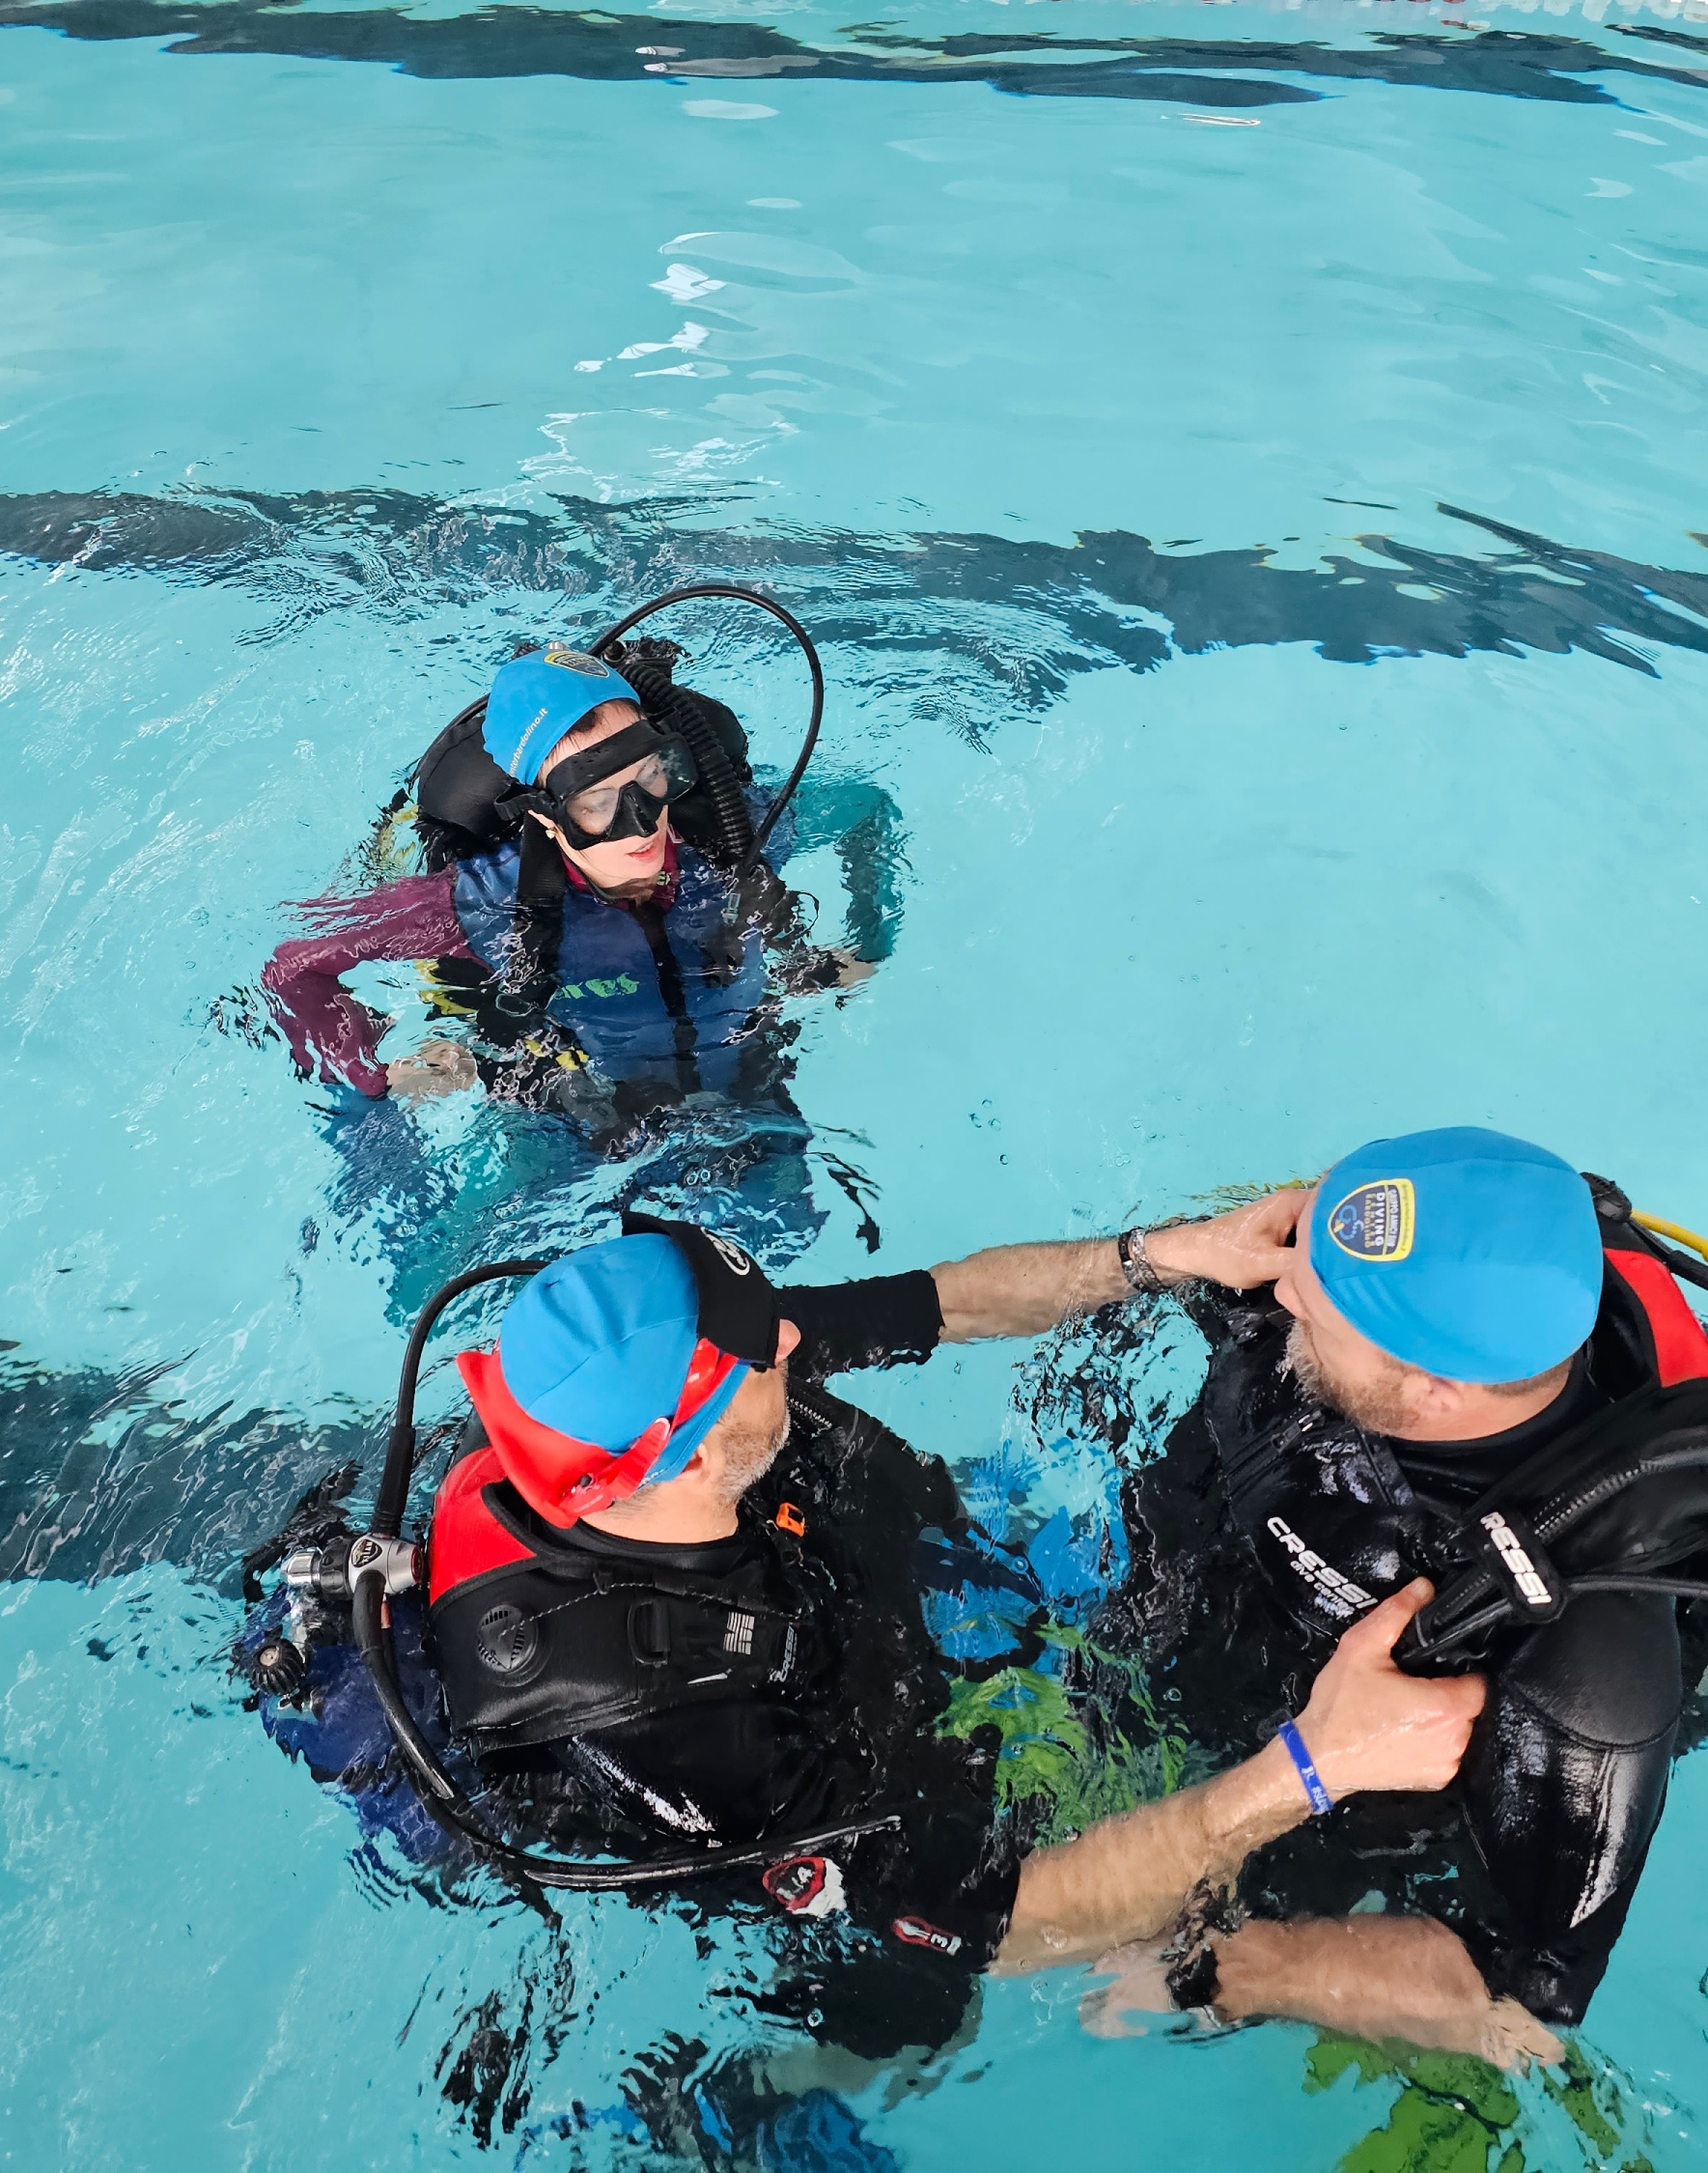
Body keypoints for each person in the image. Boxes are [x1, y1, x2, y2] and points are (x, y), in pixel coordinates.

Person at [243, 1208, 1561, 2069]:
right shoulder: (682, 1728)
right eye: (769, 1355)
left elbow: (934, 1303)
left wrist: (1161, 1254)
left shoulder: (667, 1386)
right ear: (685, 1454)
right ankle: (754, 2105)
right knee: (927, 2011)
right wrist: (1313, 1765)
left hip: (822, 1595)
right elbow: (1016, 1917)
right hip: (771, 1802)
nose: (794, 1340)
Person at [1103, 1126, 1708, 2027]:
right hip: (1199, 1591)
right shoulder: (1374, 1259)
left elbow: (1520, 2006)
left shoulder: (1592, 1661)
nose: (1280, 1286)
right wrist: (1152, 1255)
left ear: (1432, 1391)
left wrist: (1212, 1973)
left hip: (1341, 1786)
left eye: (1315, 1305)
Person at [258, 642, 890, 1267]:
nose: (642, 822)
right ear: (547, 818)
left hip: (745, 1092)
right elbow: (294, 967)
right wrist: (371, 1079)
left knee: (781, 1249)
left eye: (649, 777)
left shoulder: (734, 840)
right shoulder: (482, 903)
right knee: (455, 1276)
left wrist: (868, 943)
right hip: (571, 1115)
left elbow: (866, 809)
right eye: (596, 803)